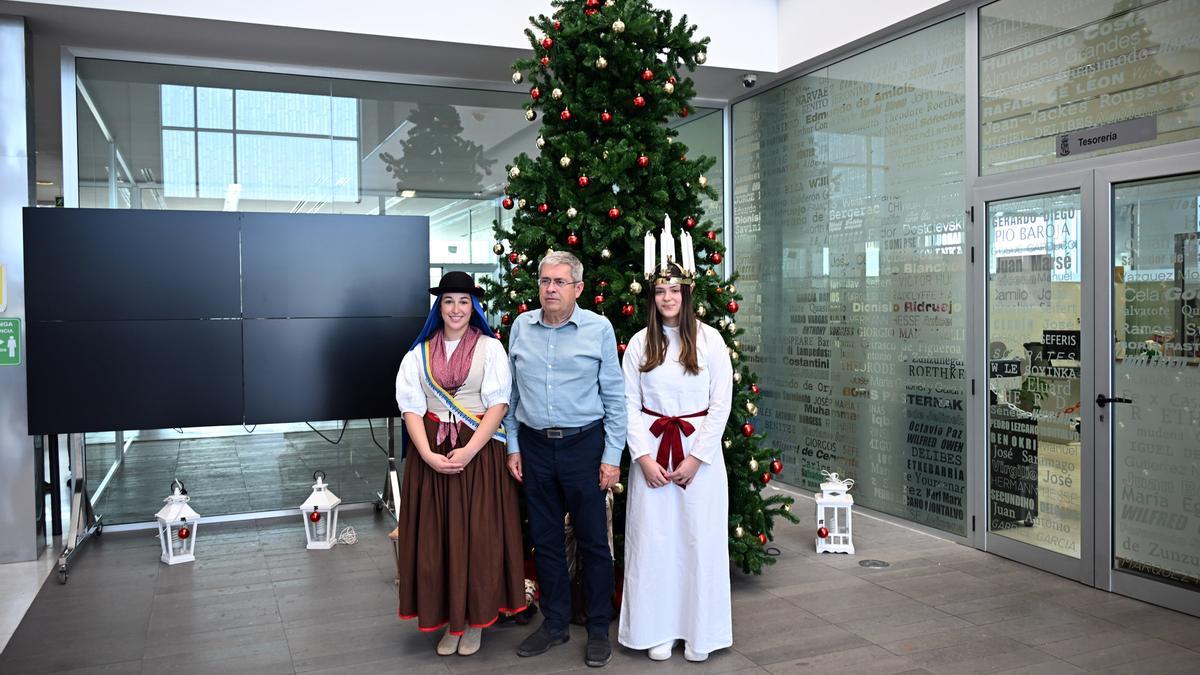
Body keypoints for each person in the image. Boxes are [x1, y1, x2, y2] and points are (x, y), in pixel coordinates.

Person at [504, 250, 627, 668]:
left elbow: (614, 396)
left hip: (584, 448)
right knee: (546, 540)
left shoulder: (598, 329)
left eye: (559, 282)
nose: (550, 289)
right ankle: (555, 622)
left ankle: (596, 628)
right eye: (544, 281)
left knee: (594, 543)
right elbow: (512, 395)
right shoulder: (522, 326)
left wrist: (612, 457)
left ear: (577, 288)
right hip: (535, 449)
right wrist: (513, 446)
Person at [394, 271, 527, 657]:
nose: (456, 309)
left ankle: (474, 622)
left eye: (464, 301)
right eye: (449, 301)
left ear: (474, 307)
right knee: (437, 540)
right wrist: (426, 454)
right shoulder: (417, 354)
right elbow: (411, 409)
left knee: (478, 538)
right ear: (440, 307)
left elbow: (499, 405)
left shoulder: (490, 349)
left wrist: (469, 452)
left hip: (478, 454)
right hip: (431, 453)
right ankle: (449, 620)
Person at [618, 259, 733, 662]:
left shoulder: (711, 341)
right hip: (652, 453)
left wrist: (696, 458)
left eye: (674, 290)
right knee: (654, 542)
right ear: (653, 297)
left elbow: (720, 405)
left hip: (698, 456)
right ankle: (657, 629)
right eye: (660, 291)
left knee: (697, 541)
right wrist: (644, 459)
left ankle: (699, 633)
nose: (668, 298)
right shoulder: (638, 344)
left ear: (686, 294)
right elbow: (628, 405)